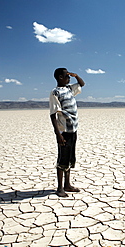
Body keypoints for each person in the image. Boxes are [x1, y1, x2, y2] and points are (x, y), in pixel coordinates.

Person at [49, 68, 85, 197]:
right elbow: (53, 114)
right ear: (60, 77)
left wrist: (75, 75)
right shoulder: (55, 92)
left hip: (73, 129)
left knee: (70, 158)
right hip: (64, 131)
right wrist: (57, 134)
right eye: (66, 76)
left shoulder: (69, 89)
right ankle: (60, 188)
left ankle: (67, 185)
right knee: (63, 159)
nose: (69, 78)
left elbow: (82, 84)